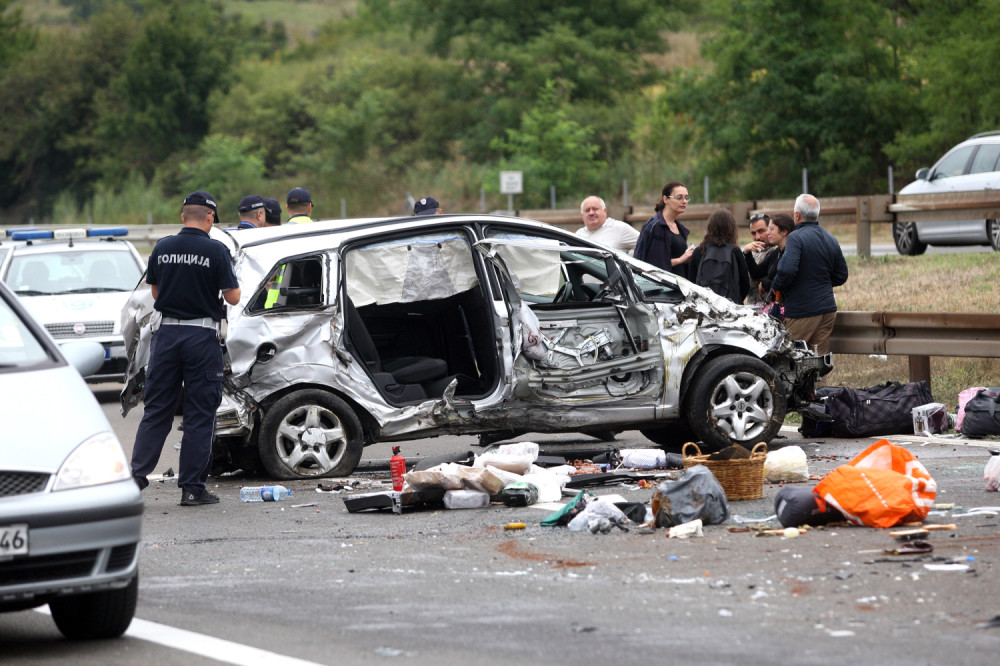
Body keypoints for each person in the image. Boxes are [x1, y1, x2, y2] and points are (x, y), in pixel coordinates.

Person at [131, 191, 241, 506]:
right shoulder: (217, 251)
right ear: (210, 218)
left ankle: (135, 481)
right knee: (199, 415)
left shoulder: (162, 247)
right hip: (201, 338)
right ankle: (192, 489)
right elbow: (232, 298)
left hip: (165, 338)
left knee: (156, 411)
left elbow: (155, 291)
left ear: (183, 217)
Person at [770, 194, 848, 356]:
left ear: (797, 215)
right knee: (819, 362)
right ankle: (821, 383)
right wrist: (820, 283)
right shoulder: (830, 238)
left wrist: (776, 286)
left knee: (789, 359)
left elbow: (786, 271)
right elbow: (841, 275)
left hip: (802, 311)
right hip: (827, 309)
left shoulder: (795, 238)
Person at [633, 181, 695, 277]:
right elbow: (653, 265)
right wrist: (680, 259)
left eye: (686, 198)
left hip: (679, 286)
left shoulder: (679, 227)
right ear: (665, 199)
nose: (684, 201)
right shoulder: (656, 227)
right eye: (679, 197)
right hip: (661, 289)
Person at [687, 209, 750, 302]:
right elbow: (745, 284)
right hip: (730, 306)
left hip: (704, 306)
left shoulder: (699, 251)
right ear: (732, 228)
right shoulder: (735, 252)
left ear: (710, 227)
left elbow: (691, 282)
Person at [575, 195, 639, 253]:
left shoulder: (619, 228)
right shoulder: (578, 235)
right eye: (587, 210)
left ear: (604, 211)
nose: (591, 213)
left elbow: (646, 245)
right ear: (582, 215)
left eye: (595, 209)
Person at [743, 212, 779, 305]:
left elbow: (755, 277)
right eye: (753, 233)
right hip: (751, 306)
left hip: (767, 308)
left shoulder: (777, 252)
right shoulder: (752, 251)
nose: (757, 237)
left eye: (761, 231)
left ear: (770, 229)